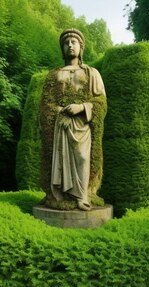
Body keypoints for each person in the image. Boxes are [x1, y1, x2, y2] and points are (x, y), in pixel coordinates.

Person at [39, 28, 107, 211]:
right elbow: (45, 103)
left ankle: (83, 196)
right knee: (59, 161)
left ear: (81, 47)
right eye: (66, 43)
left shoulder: (91, 73)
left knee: (83, 158)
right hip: (59, 127)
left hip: (82, 126)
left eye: (73, 42)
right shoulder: (53, 75)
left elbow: (100, 101)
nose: (69, 45)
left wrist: (82, 108)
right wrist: (60, 112)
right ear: (62, 47)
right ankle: (60, 195)